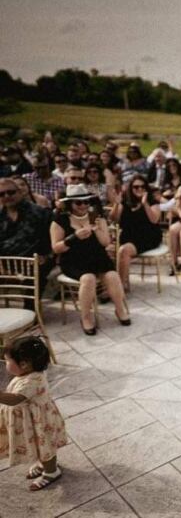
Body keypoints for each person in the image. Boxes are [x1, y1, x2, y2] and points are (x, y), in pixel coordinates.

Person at [50, 184, 130, 334]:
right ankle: (86, 317)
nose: (83, 205)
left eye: (86, 202)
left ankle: (120, 310)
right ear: (70, 204)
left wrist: (98, 228)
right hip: (73, 260)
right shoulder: (60, 220)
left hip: (97, 257)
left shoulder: (96, 217)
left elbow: (105, 243)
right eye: (78, 202)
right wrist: (74, 237)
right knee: (88, 279)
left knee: (112, 276)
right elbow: (56, 248)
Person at [0, 335, 68, 491]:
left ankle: (51, 471)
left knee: (45, 446)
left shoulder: (33, 381)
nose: (5, 364)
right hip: (30, 421)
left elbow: (15, 399)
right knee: (39, 445)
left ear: (24, 364)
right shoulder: (26, 373)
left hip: (39, 423)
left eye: (7, 361)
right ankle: (42, 462)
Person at [111, 174, 162, 290]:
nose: (139, 189)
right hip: (129, 235)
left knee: (123, 250)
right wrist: (116, 204)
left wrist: (145, 204)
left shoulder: (152, 202)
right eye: (136, 187)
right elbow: (114, 219)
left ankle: (119, 287)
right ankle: (121, 283)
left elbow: (154, 220)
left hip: (148, 236)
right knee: (110, 250)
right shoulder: (125, 201)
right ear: (131, 188)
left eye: (142, 186)